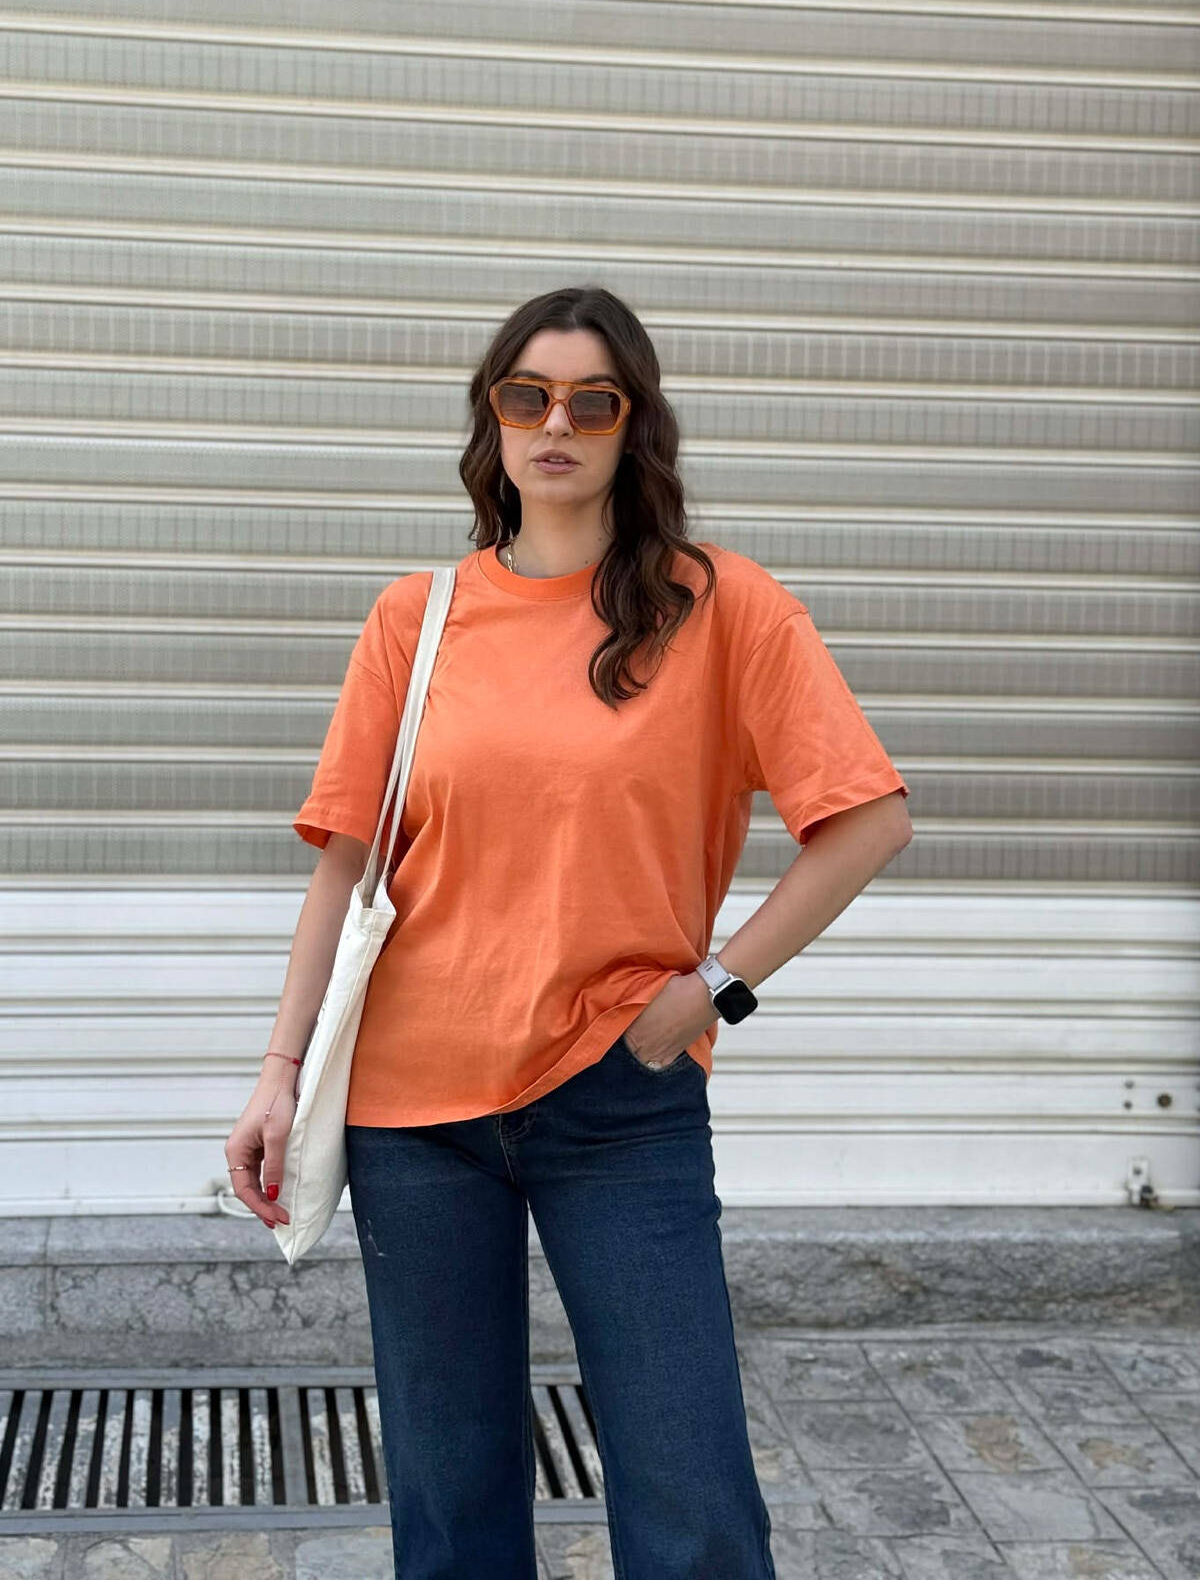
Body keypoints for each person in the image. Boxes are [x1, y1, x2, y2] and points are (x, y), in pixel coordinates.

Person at [225, 284, 912, 1579]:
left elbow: (868, 820)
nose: (557, 424)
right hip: (413, 1113)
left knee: (693, 1498)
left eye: (593, 402)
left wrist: (715, 988)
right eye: (527, 395)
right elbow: (347, 867)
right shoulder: (415, 620)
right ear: (492, 418)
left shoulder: (719, 607)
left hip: (620, 1096)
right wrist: (279, 1072)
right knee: (451, 1499)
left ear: (633, 426)